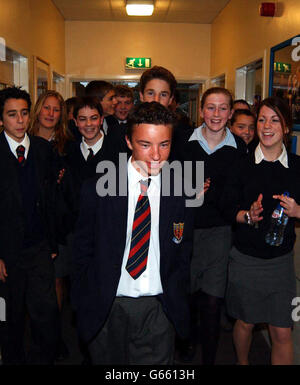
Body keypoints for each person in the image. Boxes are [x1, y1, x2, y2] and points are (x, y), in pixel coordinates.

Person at [71, 101, 194, 365]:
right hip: (108, 305)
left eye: (164, 144)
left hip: (158, 308)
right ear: (128, 141)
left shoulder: (181, 191)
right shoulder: (97, 189)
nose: (156, 155)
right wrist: (83, 302)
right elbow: (81, 250)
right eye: (145, 144)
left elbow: (183, 252)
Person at [222, 97, 300, 365]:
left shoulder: (297, 167)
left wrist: (298, 211)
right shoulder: (241, 165)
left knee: (282, 331)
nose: (267, 126)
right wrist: (248, 215)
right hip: (246, 260)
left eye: (275, 119)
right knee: (246, 322)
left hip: (281, 264)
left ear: (286, 127)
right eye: (262, 119)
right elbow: (227, 209)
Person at [176, 87, 247, 365]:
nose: (216, 114)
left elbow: (241, 192)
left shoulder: (240, 148)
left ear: (230, 113)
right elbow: (168, 186)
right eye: (210, 107)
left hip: (220, 231)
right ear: (201, 110)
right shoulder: (183, 143)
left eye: (222, 108)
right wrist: (189, 193)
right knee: (188, 296)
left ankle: (209, 358)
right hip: (186, 228)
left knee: (213, 301)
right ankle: (188, 341)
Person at [0, 86, 59, 364]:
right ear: (1, 119)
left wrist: (52, 241)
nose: (20, 120)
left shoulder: (43, 150)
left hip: (39, 247)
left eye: (24, 113)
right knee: (11, 316)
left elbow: (51, 199)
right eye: (12, 114)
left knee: (45, 311)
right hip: (7, 251)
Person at [28, 90, 74, 361]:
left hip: (59, 225)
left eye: (56, 109)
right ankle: (38, 336)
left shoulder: (66, 144)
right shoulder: (22, 140)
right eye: (46, 108)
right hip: (31, 224)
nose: (51, 113)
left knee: (56, 281)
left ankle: (53, 336)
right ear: (38, 110)